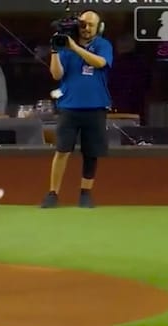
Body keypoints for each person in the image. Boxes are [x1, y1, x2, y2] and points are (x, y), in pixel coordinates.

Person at [43, 10, 113, 209]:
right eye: (83, 24)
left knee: (91, 152)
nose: (87, 28)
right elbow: (56, 75)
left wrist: (74, 47)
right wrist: (56, 51)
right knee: (62, 150)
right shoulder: (66, 46)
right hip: (69, 107)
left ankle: (85, 193)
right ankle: (53, 193)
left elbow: (100, 62)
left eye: (91, 25)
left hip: (96, 106)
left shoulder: (102, 45)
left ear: (98, 27)